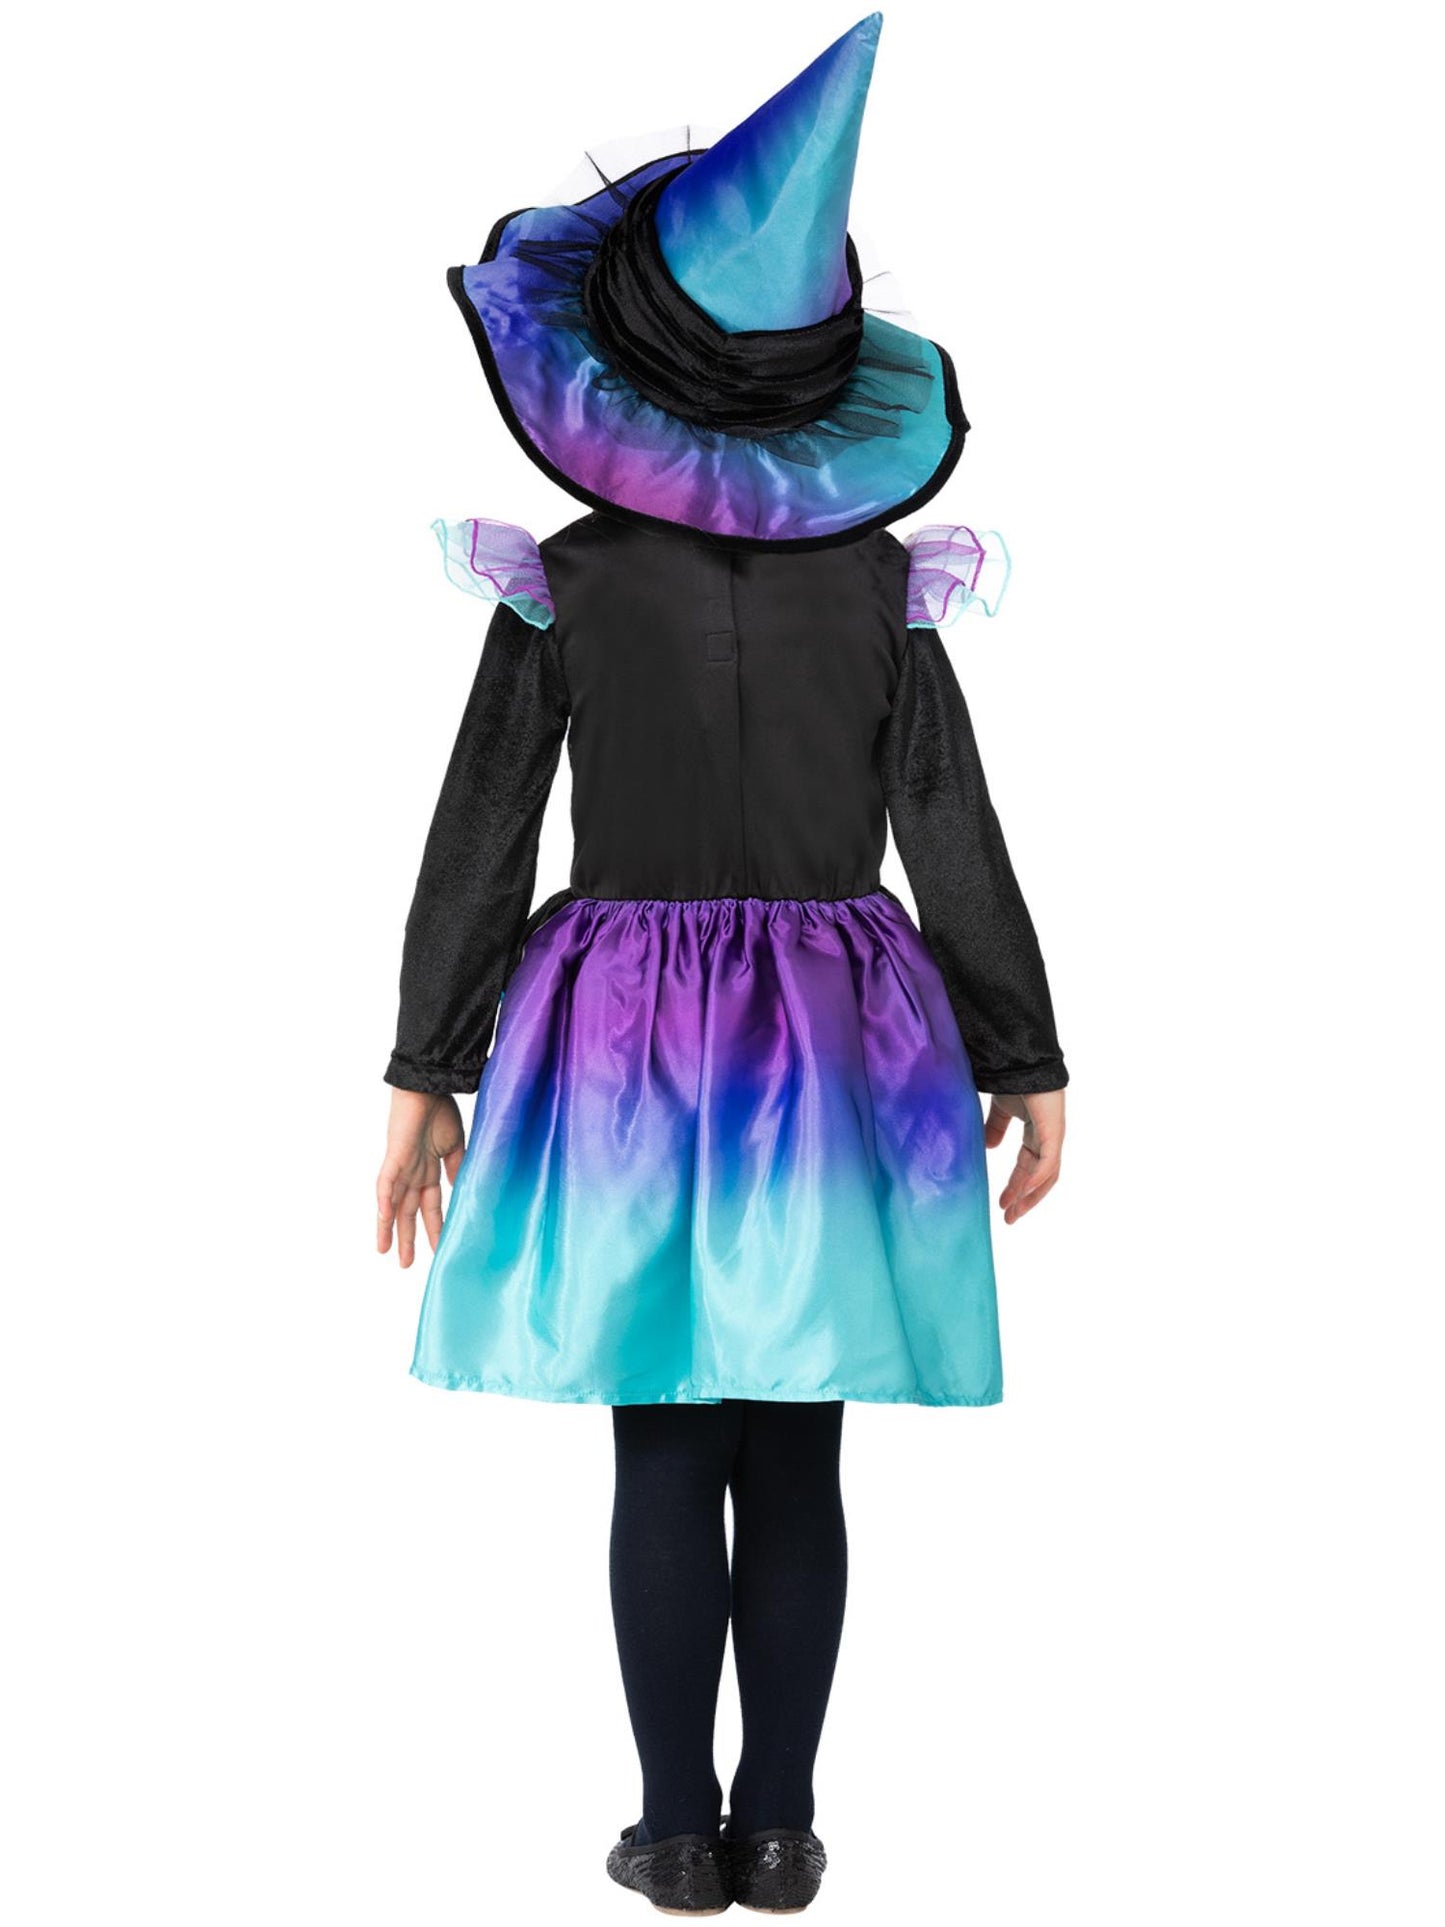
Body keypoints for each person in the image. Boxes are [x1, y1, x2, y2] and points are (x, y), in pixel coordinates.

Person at [376, 13, 1068, 1914]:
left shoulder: (568, 581)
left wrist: (426, 1067)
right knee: (798, 1447)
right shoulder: (884, 590)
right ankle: (782, 1825)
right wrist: (1022, 1053)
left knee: (663, 1449)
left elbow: (484, 824)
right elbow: (948, 826)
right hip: (842, 1044)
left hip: (618, 1044)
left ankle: (673, 1827)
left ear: (610, 375)